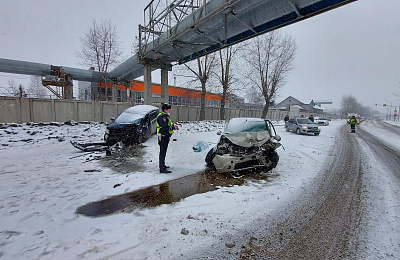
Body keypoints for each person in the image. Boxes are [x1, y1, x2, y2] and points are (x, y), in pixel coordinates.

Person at [156, 103, 179, 173]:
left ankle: (163, 165)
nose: (170, 111)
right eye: (169, 110)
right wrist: (172, 128)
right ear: (165, 110)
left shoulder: (165, 116)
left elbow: (168, 125)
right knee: (162, 152)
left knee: (163, 152)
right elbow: (164, 127)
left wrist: (173, 126)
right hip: (163, 136)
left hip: (165, 136)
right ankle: (162, 168)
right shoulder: (162, 117)